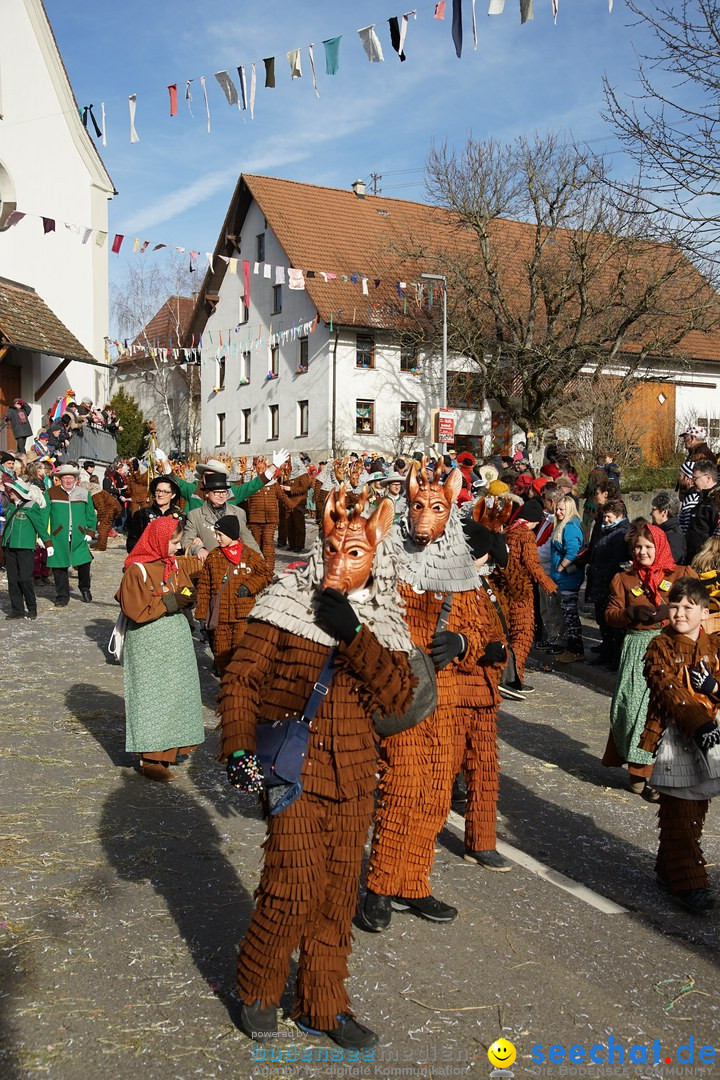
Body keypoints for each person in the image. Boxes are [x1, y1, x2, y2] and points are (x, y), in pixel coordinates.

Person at [219, 486, 415, 1048]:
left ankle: (323, 1006)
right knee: (291, 885)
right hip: (292, 769)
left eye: (353, 552)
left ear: (375, 551)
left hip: (353, 779)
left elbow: (398, 695)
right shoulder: (284, 600)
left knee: (336, 898)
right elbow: (242, 679)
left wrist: (352, 633)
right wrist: (237, 747)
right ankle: (258, 988)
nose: (338, 561)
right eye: (331, 548)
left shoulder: (383, 613)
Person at [362, 462, 491, 930]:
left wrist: (461, 642)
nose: (424, 517)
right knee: (401, 787)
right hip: (404, 692)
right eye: (418, 506)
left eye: (435, 507)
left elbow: (480, 629)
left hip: (449, 697)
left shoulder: (461, 568)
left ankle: (413, 884)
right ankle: (379, 885)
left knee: (436, 796)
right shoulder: (386, 561)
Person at [641, 578, 720, 912]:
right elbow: (668, 689)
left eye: (689, 607)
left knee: (695, 809)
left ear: (704, 612)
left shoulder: (716, 646)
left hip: (712, 734)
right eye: (675, 606)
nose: (680, 613)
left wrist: (714, 687)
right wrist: (699, 725)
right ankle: (690, 883)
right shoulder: (660, 645)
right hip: (677, 736)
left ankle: (668, 868)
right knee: (681, 809)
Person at [602, 522, 695, 799]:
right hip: (637, 649)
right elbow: (610, 614)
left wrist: (670, 610)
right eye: (638, 547)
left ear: (660, 547)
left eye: (648, 547)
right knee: (632, 710)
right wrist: (630, 614)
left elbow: (698, 605)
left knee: (664, 711)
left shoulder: (681, 574)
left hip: (671, 648)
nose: (642, 552)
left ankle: (659, 774)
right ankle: (637, 769)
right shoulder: (624, 579)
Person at [116, 516, 203, 783]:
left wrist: (186, 597)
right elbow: (135, 609)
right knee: (152, 698)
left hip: (175, 640)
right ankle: (150, 758)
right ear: (157, 540)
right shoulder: (137, 570)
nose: (177, 548)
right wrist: (170, 601)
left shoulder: (172, 565)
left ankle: (169, 751)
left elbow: (187, 590)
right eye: (174, 542)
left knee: (175, 695)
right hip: (149, 643)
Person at [194, 515, 273, 674]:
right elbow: (204, 586)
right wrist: (201, 614)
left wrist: (249, 586)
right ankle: (225, 688)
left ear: (231, 534)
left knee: (241, 654)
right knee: (221, 655)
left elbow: (266, 574)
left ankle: (239, 689)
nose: (217, 539)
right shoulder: (214, 556)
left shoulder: (249, 555)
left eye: (220, 535)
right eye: (216, 534)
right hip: (220, 617)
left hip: (242, 616)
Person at [502, 501, 557, 693]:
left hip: (506, 589)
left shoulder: (508, 532)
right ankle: (513, 679)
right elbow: (533, 564)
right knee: (523, 635)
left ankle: (503, 675)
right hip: (521, 590)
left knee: (508, 634)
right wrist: (549, 585)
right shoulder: (526, 535)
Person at [585, 499, 629, 671]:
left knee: (612, 625)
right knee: (603, 620)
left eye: (609, 517)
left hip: (608, 582)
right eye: (605, 516)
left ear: (619, 516)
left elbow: (617, 560)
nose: (606, 520)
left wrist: (604, 573)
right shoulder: (608, 531)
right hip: (600, 580)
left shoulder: (620, 533)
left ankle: (612, 656)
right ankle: (606, 650)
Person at [46, 463, 97, 605]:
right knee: (59, 567)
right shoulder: (51, 493)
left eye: (71, 477)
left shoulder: (84, 493)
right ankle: (62, 596)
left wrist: (90, 532)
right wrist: (45, 537)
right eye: (65, 478)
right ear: (60, 479)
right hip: (58, 536)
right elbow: (44, 516)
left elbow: (91, 515)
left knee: (84, 563)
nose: (68, 481)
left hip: (79, 535)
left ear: (75, 479)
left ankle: (85, 588)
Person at [183, 472, 261, 560]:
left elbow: (248, 541)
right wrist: (198, 549)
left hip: (234, 564)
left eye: (224, 492)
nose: (221, 496)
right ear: (207, 493)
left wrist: (261, 562)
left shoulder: (238, 512)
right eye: (217, 492)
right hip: (210, 563)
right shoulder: (195, 515)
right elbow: (186, 541)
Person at [2, 478, 49, 620]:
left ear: (19, 492)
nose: (10, 492)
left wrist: (47, 542)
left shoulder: (31, 506)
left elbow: (39, 525)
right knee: (13, 579)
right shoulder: (10, 506)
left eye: (13, 491)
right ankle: (17, 610)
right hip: (10, 545)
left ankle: (32, 607)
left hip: (25, 546)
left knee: (25, 579)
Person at [550, 495, 586, 663]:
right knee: (567, 613)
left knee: (570, 615)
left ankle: (576, 650)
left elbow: (572, 550)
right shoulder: (564, 525)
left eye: (561, 509)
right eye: (557, 509)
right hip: (563, 578)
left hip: (568, 579)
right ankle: (572, 648)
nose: (558, 512)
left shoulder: (570, 527)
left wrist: (561, 567)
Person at [126, 474, 183, 553]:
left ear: (173, 495)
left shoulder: (180, 517)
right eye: (158, 491)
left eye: (165, 492)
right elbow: (132, 545)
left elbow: (183, 545)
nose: (160, 495)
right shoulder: (142, 515)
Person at [245, 457, 280, 572]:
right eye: (258, 468)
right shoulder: (251, 484)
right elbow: (245, 500)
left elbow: (282, 496)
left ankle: (269, 568)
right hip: (255, 518)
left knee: (268, 543)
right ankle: (257, 566)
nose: (260, 471)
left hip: (270, 519)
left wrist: (294, 506)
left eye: (263, 468)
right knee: (255, 543)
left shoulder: (273, 484)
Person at [685, 461, 720, 561]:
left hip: (706, 560)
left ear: (708, 478)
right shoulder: (704, 498)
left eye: (695, 478)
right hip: (695, 557)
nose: (692, 482)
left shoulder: (715, 502)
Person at [650, 491, 686, 564]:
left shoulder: (674, 537)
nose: (650, 513)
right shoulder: (660, 531)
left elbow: (671, 565)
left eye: (653, 509)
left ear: (664, 512)